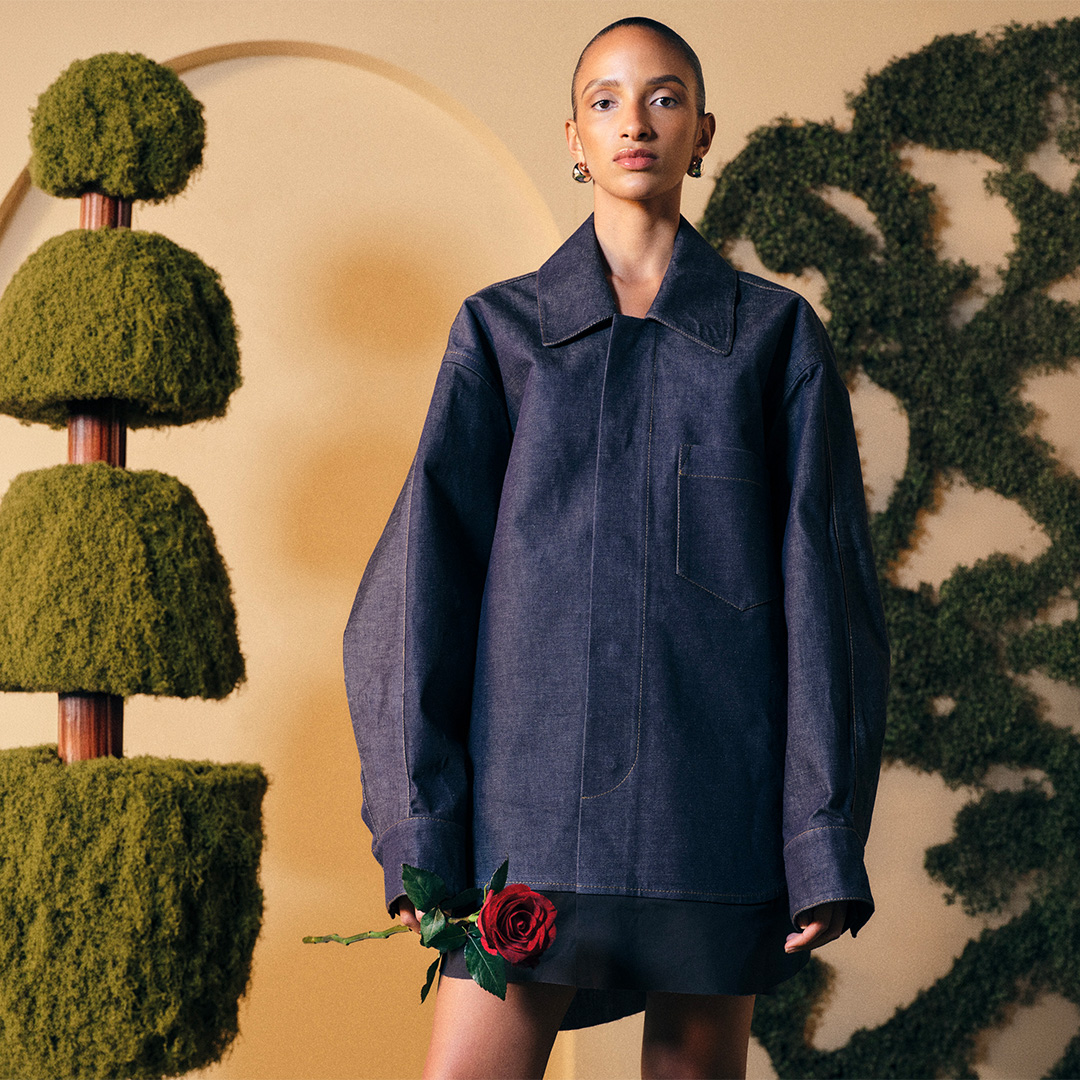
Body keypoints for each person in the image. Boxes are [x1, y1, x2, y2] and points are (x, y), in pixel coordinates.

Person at [344, 16, 889, 1080]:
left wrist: (816, 843)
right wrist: (421, 832)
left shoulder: (777, 340)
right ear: (573, 138)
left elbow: (828, 603)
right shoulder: (499, 336)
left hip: (710, 814)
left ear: (703, 132)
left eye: (664, 96)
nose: (634, 121)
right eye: (605, 100)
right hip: (525, 815)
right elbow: (416, 597)